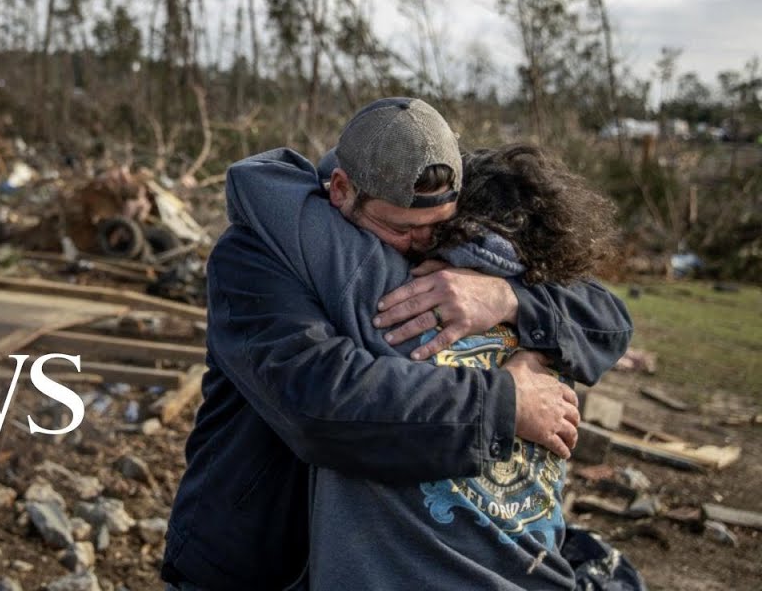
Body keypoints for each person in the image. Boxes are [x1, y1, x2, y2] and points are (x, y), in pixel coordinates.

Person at [162, 98, 633, 590]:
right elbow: (319, 401)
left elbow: (608, 319)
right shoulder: (258, 255)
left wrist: (508, 297)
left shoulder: (456, 230)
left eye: (439, 226)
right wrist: (506, 402)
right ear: (341, 190)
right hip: (254, 557)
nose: (426, 244)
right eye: (403, 228)